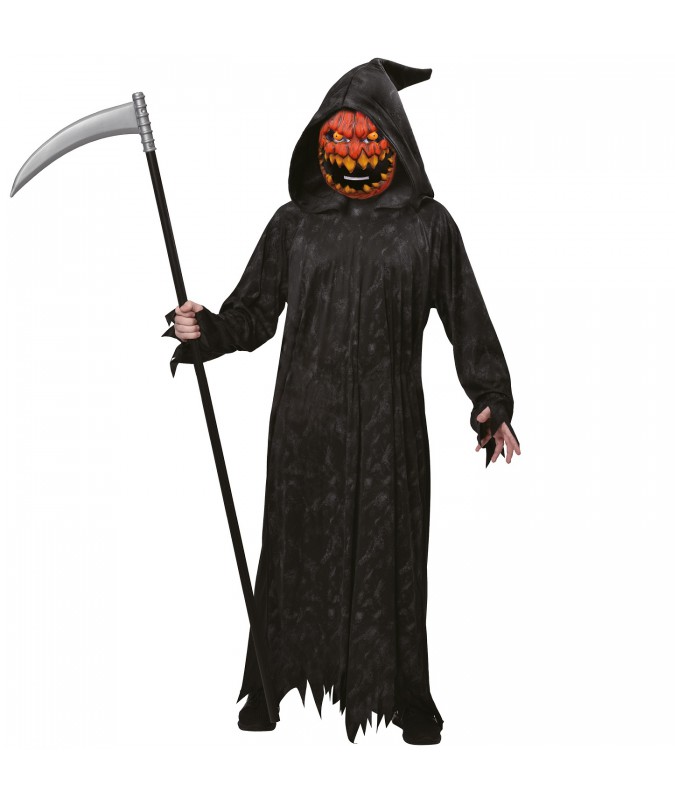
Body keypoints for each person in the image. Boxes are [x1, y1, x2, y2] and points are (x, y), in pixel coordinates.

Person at [161, 58, 521, 745]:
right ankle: (271, 683)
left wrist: (490, 399)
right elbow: (253, 314)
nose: (352, 149)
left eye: (365, 135)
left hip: (390, 431)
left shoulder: (429, 228)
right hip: (307, 427)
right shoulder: (294, 225)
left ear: (392, 139)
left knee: (393, 558)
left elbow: (467, 319)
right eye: (339, 136)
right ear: (319, 141)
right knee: (295, 552)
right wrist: (206, 329)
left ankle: (406, 695)